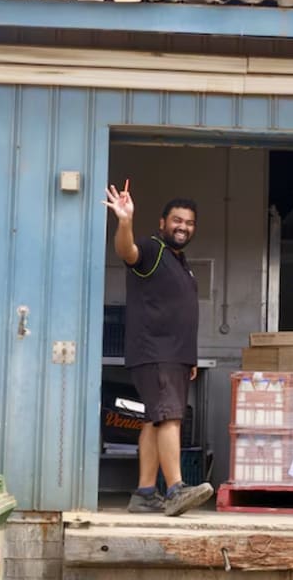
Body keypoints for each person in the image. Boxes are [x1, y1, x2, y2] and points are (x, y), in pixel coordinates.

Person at [103, 184, 214, 517]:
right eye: (177, 220)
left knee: (154, 420)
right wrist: (125, 221)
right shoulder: (152, 249)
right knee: (169, 416)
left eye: (189, 222)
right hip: (155, 351)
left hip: (175, 355)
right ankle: (177, 488)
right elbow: (127, 252)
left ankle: (146, 493)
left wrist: (189, 358)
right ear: (163, 222)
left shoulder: (180, 261)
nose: (183, 226)